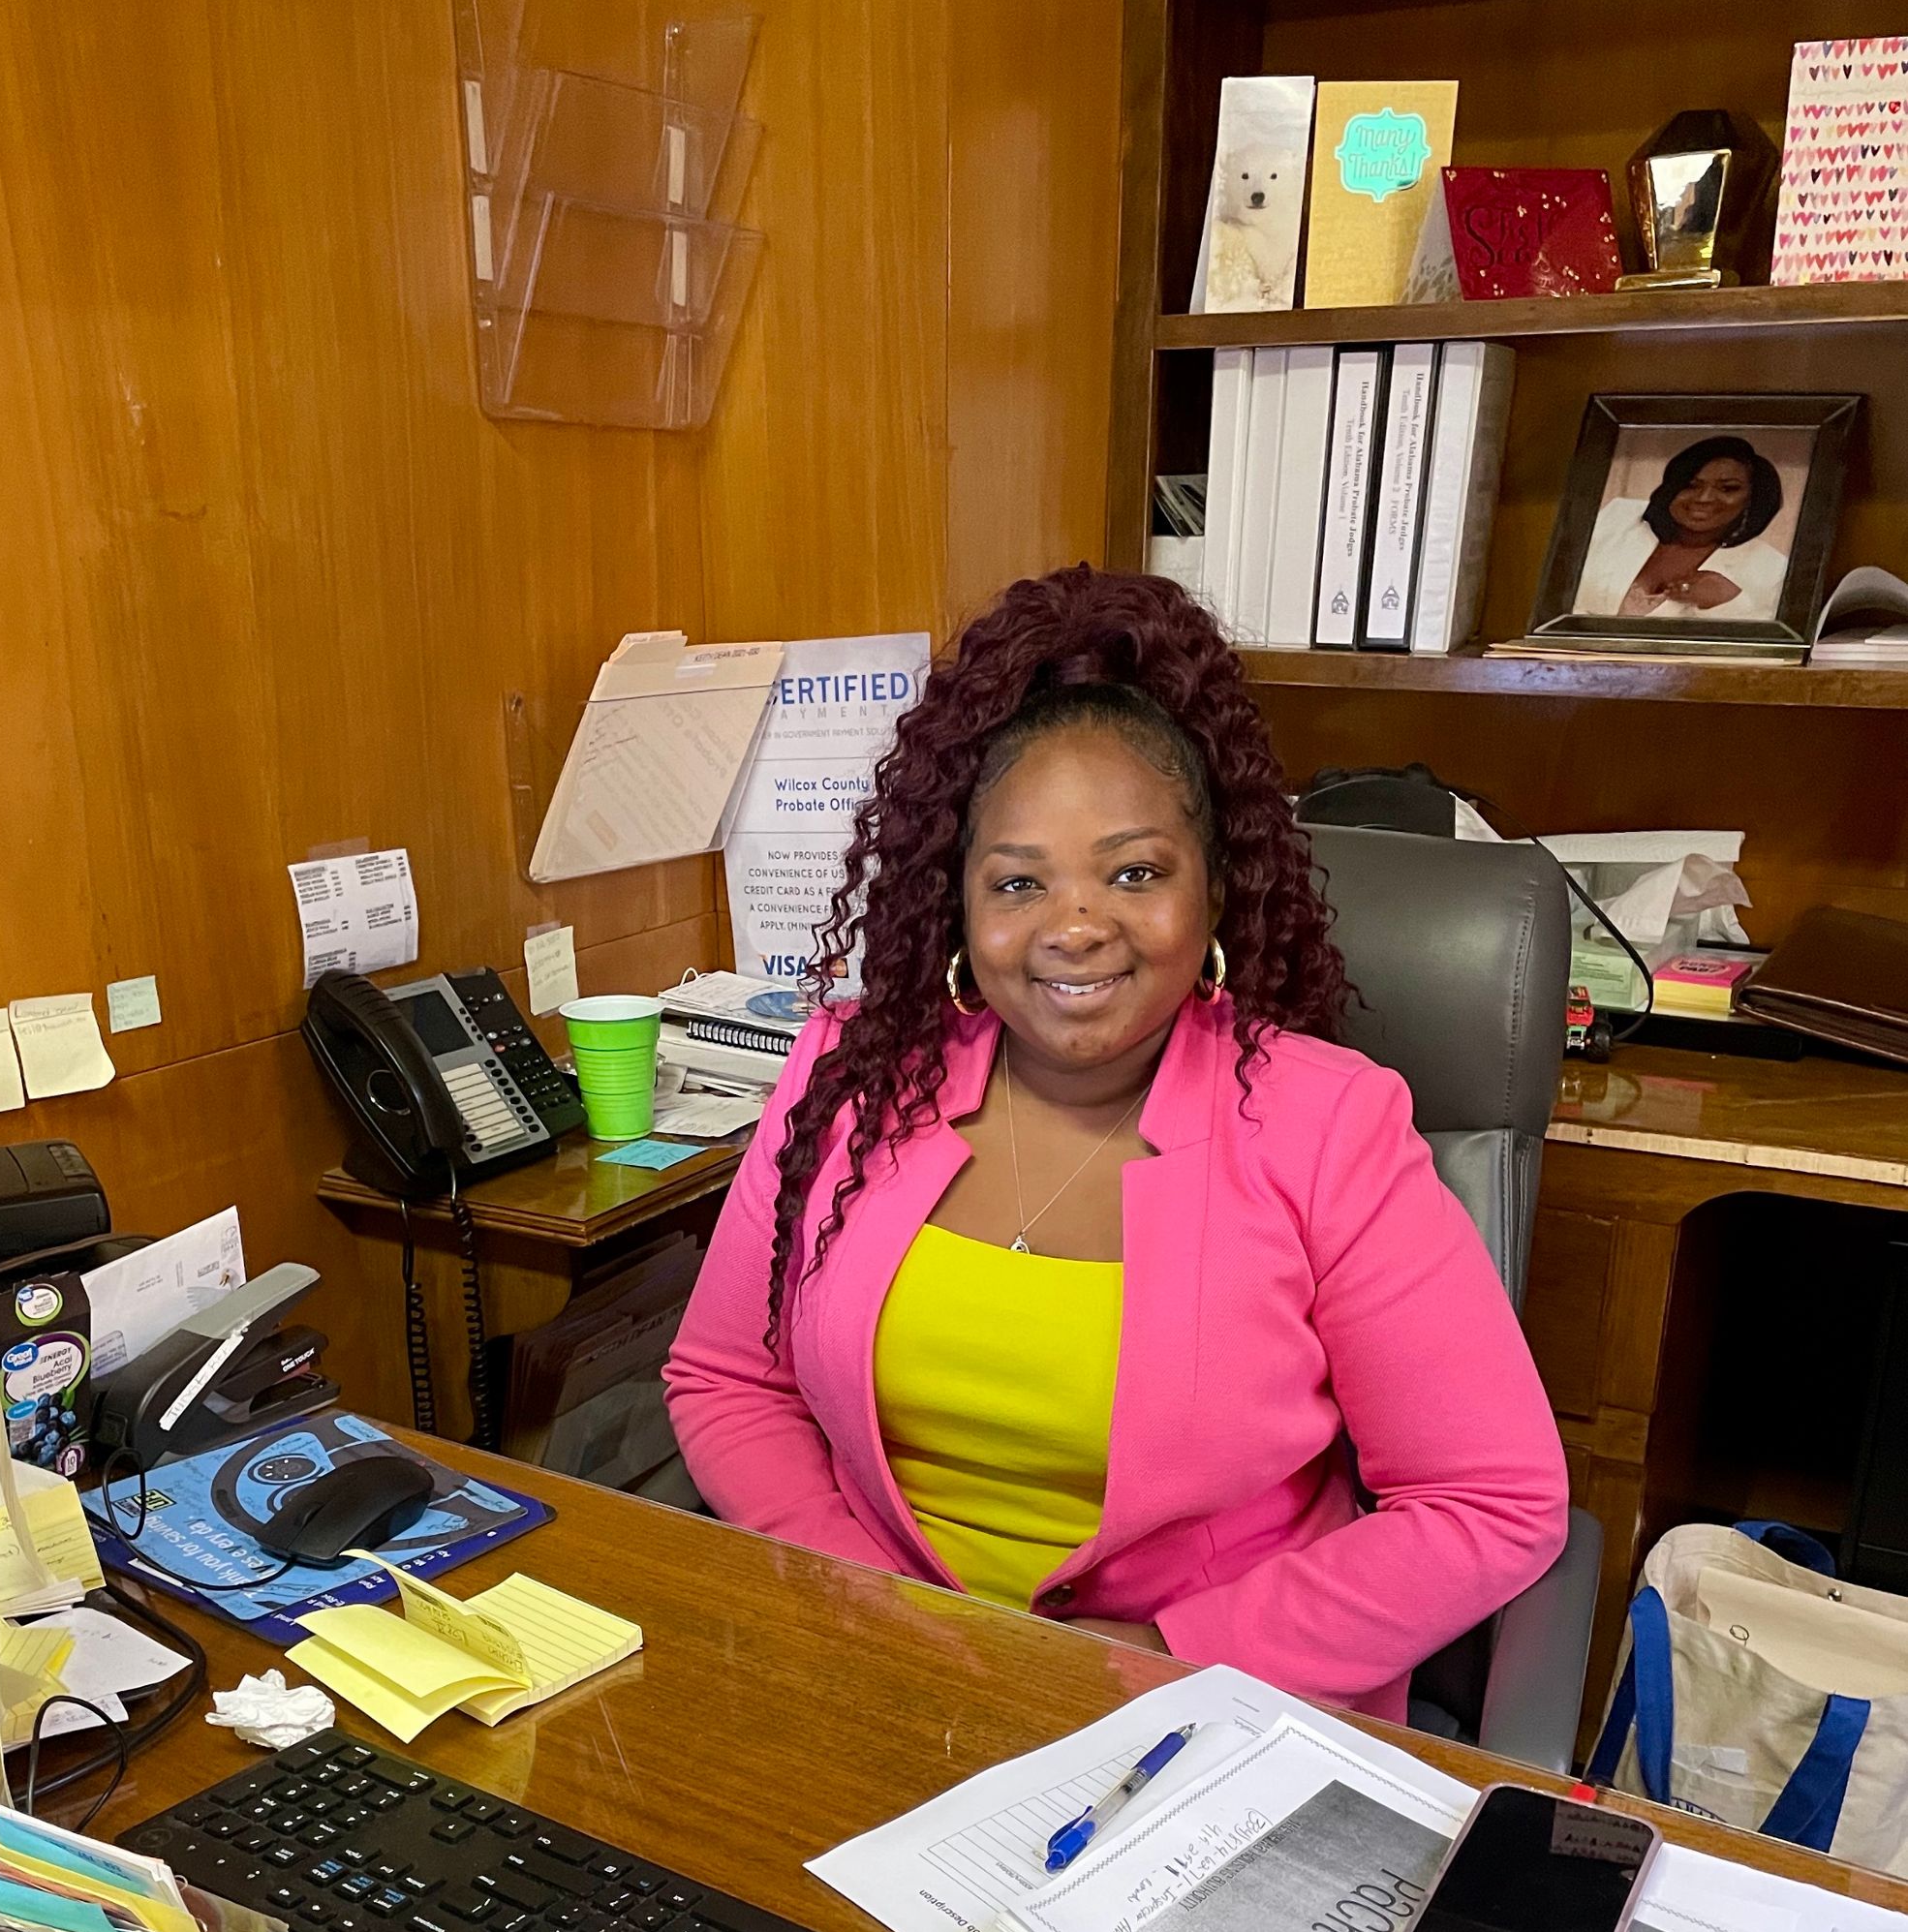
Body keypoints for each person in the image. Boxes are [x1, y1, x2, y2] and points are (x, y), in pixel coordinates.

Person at [662, 567, 1568, 1719]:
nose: (1076, 925)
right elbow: (727, 1377)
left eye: (1135, 872)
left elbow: (1491, 1503)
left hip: (1204, 1715)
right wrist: (868, 1605)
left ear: (1215, 890)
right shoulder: (851, 1079)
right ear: (959, 907)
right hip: (875, 1680)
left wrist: (1153, 1659)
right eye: (1018, 882)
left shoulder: (1326, 1125)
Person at [1572, 434, 1791, 624]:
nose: (1704, 499)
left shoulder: (1771, 570)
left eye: (1728, 488)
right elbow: (1558, 602)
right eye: (1690, 485)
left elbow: (1762, 652)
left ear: (1753, 498)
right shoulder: (1619, 517)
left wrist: (1725, 602)